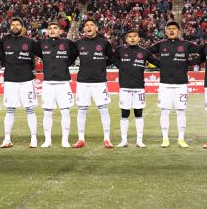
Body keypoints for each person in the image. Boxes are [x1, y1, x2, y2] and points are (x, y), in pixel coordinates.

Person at [148, 21, 200, 148]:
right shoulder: (160, 45)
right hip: (165, 85)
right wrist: (159, 63)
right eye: (169, 29)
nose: (171, 31)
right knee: (164, 112)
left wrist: (189, 63)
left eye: (174, 29)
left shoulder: (186, 44)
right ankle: (165, 139)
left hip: (181, 84)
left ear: (179, 31)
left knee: (181, 111)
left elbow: (202, 52)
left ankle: (181, 139)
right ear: (165, 31)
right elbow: (145, 53)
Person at [0, 17, 42, 148]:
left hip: (27, 80)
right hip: (10, 80)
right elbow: (0, 56)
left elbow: (42, 54)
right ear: (10, 27)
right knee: (10, 109)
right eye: (13, 24)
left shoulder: (30, 42)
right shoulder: (4, 41)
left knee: (29, 109)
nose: (15, 26)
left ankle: (33, 138)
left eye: (18, 24)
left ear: (22, 27)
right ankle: (7, 139)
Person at [113, 29, 159, 148]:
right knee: (124, 113)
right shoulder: (121, 50)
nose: (132, 38)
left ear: (139, 38)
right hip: (124, 88)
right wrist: (121, 66)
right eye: (130, 36)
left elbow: (157, 62)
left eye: (135, 36)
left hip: (139, 88)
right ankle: (124, 140)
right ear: (126, 39)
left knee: (138, 113)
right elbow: (112, 59)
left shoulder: (144, 52)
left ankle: (139, 140)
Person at [73, 18, 114, 148]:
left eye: (92, 25)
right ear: (84, 29)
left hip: (99, 82)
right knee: (82, 109)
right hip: (83, 82)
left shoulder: (104, 43)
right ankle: (81, 139)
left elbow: (111, 59)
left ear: (96, 28)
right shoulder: (78, 43)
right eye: (86, 25)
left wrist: (101, 65)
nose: (89, 27)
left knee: (103, 109)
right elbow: (69, 59)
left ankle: (107, 138)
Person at [39, 22, 78, 148]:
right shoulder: (42, 44)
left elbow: (74, 54)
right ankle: (47, 140)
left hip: (63, 83)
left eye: (55, 28)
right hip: (48, 84)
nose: (52, 30)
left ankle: (65, 140)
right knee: (47, 113)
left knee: (65, 112)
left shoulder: (67, 43)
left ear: (60, 31)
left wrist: (66, 62)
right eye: (50, 28)